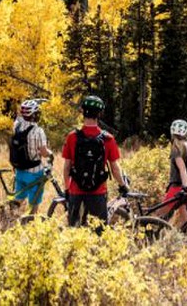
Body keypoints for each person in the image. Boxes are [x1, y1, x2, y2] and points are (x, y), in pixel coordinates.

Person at [62, 95, 128, 230]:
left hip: (76, 190)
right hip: (98, 191)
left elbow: (66, 167)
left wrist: (67, 189)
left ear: (83, 112)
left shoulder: (72, 137)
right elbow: (115, 169)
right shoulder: (108, 139)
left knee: (73, 230)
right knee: (99, 231)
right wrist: (123, 185)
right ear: (99, 114)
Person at [159, 119, 187, 227]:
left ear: (172, 132)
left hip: (178, 187)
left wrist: (184, 186)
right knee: (186, 219)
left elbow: (182, 169)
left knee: (160, 214)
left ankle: (152, 238)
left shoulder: (176, 148)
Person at [10, 99, 52, 214]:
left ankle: (10, 217)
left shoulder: (17, 125)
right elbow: (43, 152)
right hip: (34, 173)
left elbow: (19, 117)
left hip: (20, 170)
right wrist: (51, 154)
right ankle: (31, 223)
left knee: (18, 197)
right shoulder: (38, 131)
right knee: (33, 203)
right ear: (34, 115)